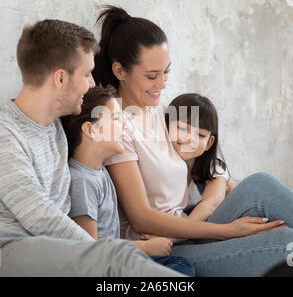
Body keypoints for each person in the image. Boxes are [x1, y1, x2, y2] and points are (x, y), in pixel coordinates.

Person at [92, 5, 293, 276]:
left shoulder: (161, 111)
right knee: (285, 244)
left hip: (189, 225)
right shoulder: (114, 122)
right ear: (119, 71)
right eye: (152, 76)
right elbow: (141, 217)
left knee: (261, 184)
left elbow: (209, 160)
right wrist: (228, 230)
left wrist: (213, 196)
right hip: (162, 246)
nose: (163, 84)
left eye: (166, 72)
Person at [0, 19, 184, 277]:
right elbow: (38, 216)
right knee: (119, 260)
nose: (91, 84)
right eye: (87, 74)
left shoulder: (55, 132)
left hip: (48, 250)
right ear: (61, 78)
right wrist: (106, 251)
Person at [61, 85, 195, 276]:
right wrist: (144, 248)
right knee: (180, 266)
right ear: (91, 130)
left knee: (180, 262)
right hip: (106, 267)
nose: (124, 125)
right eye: (116, 119)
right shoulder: (82, 180)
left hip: (119, 258)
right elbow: (88, 246)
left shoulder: (99, 171)